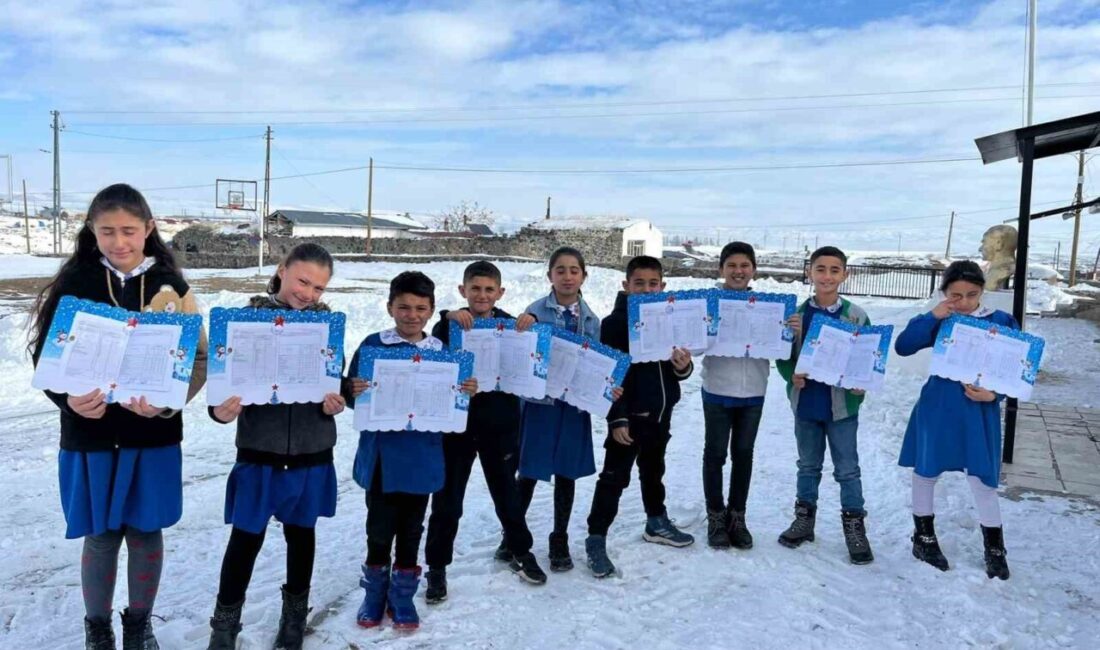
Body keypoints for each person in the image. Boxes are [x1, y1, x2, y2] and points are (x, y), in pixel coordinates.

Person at [28, 183, 208, 649]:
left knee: (146, 532)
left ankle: (138, 623)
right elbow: (47, 357)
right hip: (90, 437)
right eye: (107, 231)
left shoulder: (175, 289)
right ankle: (98, 628)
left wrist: (169, 401)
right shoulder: (77, 284)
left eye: (129, 230)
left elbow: (200, 358)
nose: (119, 241)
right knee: (102, 535)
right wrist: (66, 400)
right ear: (92, 231)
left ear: (149, 229)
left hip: (153, 437)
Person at [205, 243, 345, 650]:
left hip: (311, 455)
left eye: (319, 288)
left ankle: (294, 619)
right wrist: (221, 412)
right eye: (303, 280)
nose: (308, 293)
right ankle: (225, 625)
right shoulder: (244, 323)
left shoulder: (328, 329)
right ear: (282, 270)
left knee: (302, 539)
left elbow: (339, 384)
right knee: (245, 541)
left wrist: (337, 401)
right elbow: (220, 391)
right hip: (258, 455)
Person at [350, 271, 477, 631]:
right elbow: (348, 392)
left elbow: (454, 402)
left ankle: (402, 595)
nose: (412, 315)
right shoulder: (373, 344)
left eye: (421, 308)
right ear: (390, 307)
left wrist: (465, 390)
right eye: (403, 307)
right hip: (382, 459)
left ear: (431, 309)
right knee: (378, 529)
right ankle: (374, 593)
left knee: (410, 530)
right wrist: (352, 389)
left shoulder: (442, 352)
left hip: (422, 457)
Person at [423, 261, 546, 604]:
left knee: (507, 494)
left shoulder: (513, 326)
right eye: (475, 288)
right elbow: (434, 364)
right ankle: (437, 567)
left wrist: (532, 323)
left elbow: (536, 344)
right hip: (457, 427)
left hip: (501, 424)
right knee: (448, 501)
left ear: (500, 293)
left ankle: (521, 551)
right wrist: (447, 315)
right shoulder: (448, 327)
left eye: (489, 289)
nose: (482, 295)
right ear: (463, 291)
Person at [896, 260, 1014, 580]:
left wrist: (994, 396)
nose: (963, 302)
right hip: (938, 408)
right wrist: (933, 315)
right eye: (955, 295)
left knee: (982, 479)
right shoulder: (940, 319)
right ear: (944, 293)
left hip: (978, 411)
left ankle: (994, 547)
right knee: (926, 471)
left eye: (971, 294)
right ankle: (923, 538)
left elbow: (1013, 370)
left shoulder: (1001, 321)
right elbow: (903, 346)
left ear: (982, 292)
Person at [583, 255, 695, 578]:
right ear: (626, 285)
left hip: (661, 412)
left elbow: (679, 370)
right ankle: (596, 536)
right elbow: (611, 377)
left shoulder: (669, 319)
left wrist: (682, 366)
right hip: (629, 418)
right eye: (639, 283)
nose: (646, 289)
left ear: (663, 285)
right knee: (614, 477)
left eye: (653, 283)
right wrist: (617, 418)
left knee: (653, 469)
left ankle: (656, 520)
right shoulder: (615, 324)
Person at [776, 246, 874, 565]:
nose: (827, 276)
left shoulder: (856, 317)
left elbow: (868, 358)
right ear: (810, 273)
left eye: (834, 270)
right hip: (807, 405)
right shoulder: (797, 316)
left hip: (842, 407)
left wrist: (861, 384)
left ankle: (854, 529)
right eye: (820, 269)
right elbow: (783, 358)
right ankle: (804, 521)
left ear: (844, 274)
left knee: (847, 469)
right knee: (807, 465)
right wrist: (793, 376)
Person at [701, 242, 801, 549]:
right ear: (721, 269)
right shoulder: (709, 303)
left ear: (753, 270)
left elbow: (785, 352)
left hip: (753, 393)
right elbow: (692, 344)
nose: (738, 271)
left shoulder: (770, 307)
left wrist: (792, 331)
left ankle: (737, 516)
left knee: (743, 456)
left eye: (744, 265)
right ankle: (716, 516)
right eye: (731, 265)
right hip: (717, 391)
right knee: (715, 455)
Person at [516, 247, 602, 572]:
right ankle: (514, 534)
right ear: (550, 275)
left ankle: (559, 538)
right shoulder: (534, 312)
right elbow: (521, 352)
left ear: (583, 276)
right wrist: (523, 327)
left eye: (574, 271)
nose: (567, 276)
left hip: (574, 406)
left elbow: (596, 364)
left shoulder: (591, 319)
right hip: (540, 405)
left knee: (567, 471)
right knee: (529, 470)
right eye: (560, 270)